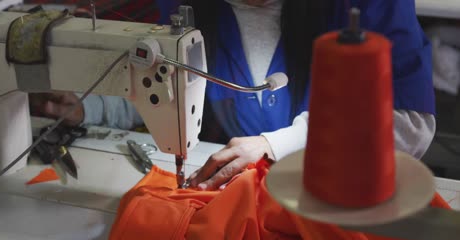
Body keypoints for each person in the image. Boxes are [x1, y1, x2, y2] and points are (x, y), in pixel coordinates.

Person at [30, 0, 436, 191]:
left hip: (342, 195)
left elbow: (409, 124)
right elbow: (162, 90)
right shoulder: (185, 8)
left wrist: (274, 145)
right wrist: (90, 105)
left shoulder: (366, 4)